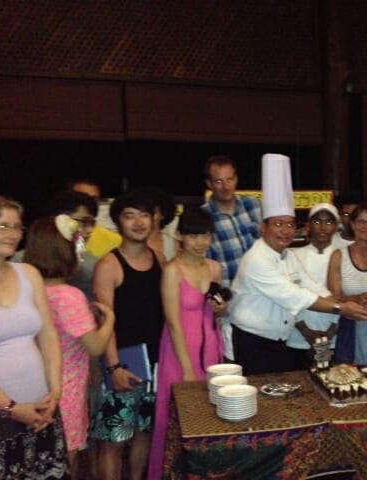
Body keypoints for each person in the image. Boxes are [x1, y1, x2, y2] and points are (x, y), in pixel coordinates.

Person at [229, 153, 367, 375]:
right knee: (260, 393)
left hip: (278, 340)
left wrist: (351, 302)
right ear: (263, 228)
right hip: (253, 341)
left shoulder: (288, 256)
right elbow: (294, 295)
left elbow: (313, 287)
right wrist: (341, 308)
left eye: (290, 224)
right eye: (278, 224)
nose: (286, 230)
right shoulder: (257, 260)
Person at [23, 215, 115, 480]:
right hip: (66, 390)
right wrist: (109, 319)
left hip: (32, 387)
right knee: (66, 460)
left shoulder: (27, 288)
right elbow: (95, 346)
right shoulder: (69, 296)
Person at [0, 195, 69, 479]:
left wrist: (55, 392)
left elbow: (48, 335)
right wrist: (9, 408)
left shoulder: (28, 273)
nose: (13, 234)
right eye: (2, 226)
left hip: (42, 409)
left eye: (17, 227)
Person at [147, 205, 228, 480]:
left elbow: (219, 310)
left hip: (212, 347)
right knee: (175, 416)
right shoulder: (173, 270)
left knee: (211, 413)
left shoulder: (214, 268)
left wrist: (221, 309)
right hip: (180, 349)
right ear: (180, 236)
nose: (200, 242)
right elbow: (172, 322)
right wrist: (187, 369)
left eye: (206, 235)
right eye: (193, 236)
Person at [89, 189, 164, 480]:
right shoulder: (108, 265)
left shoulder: (159, 258)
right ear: (118, 222)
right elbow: (104, 321)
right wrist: (114, 368)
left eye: (144, 215)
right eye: (129, 216)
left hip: (155, 363)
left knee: (145, 432)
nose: (138, 222)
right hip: (122, 363)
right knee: (114, 439)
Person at [201, 154, 262, 362]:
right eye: (218, 181)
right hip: (230, 307)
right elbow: (201, 266)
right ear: (209, 184)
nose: (226, 186)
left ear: (236, 179)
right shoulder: (203, 217)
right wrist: (217, 302)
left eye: (230, 179)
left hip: (261, 300)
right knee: (235, 366)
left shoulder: (254, 206)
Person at [328, 201, 367, 365]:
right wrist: (357, 298)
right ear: (353, 224)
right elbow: (334, 298)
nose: (366, 226)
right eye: (361, 221)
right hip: (350, 328)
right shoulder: (339, 256)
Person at [287, 203, 341, 368]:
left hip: (334, 335)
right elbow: (289, 295)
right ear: (309, 226)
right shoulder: (294, 255)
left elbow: (343, 297)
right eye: (317, 222)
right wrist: (304, 329)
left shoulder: (344, 256)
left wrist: (331, 332)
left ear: (336, 226)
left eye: (329, 222)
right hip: (298, 334)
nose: (323, 227)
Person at [67, 178, 122, 259]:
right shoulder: (51, 237)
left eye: (94, 199)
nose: (89, 202)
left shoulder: (115, 240)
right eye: (82, 197)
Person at [138, 185, 179, 262]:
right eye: (143, 213)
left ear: (162, 214)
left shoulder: (173, 244)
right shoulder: (123, 241)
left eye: (152, 212)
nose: (147, 217)